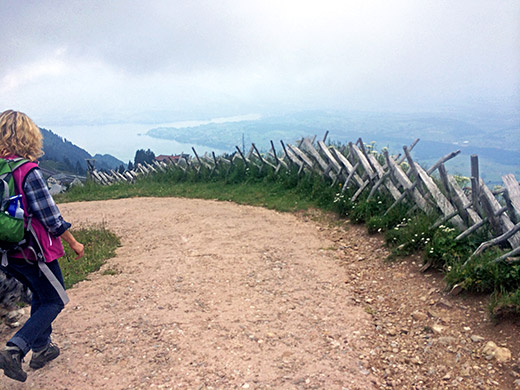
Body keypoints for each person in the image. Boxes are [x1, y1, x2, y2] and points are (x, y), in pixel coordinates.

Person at [0, 110, 84, 382]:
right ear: (28, 136)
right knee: (55, 298)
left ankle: (41, 348)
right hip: (32, 251)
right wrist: (73, 242)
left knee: (39, 292)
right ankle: (16, 348)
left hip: (7, 252)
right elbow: (52, 218)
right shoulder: (28, 171)